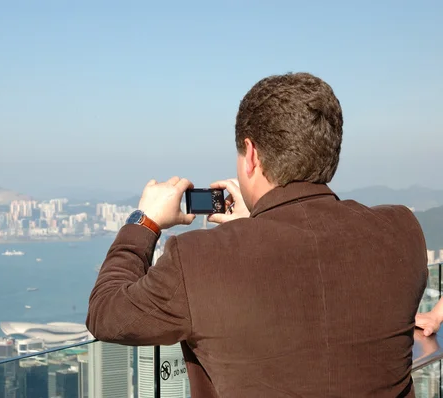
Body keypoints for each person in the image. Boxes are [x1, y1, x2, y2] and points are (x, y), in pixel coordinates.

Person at [86, 72, 428, 397]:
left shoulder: (197, 259)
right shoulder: (402, 231)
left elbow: (106, 314)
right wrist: (259, 224)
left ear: (251, 155)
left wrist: (143, 222)